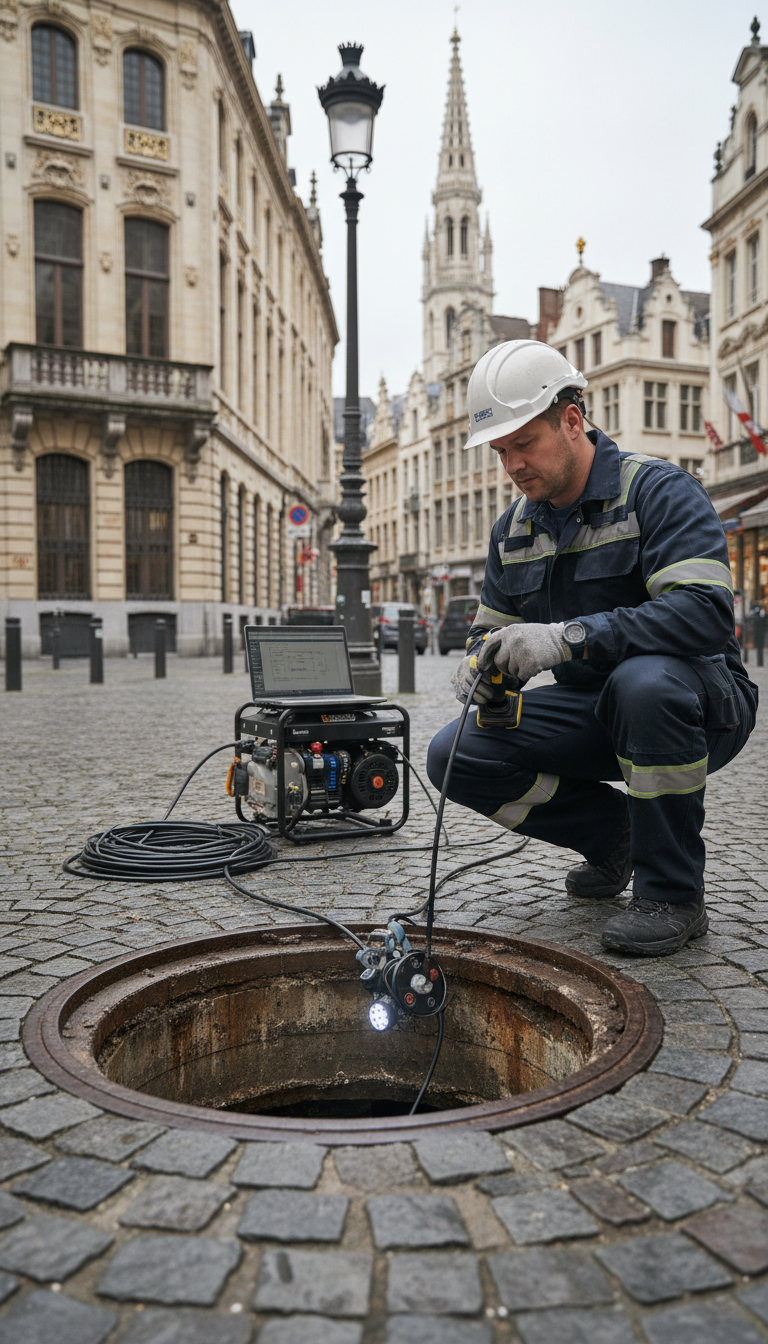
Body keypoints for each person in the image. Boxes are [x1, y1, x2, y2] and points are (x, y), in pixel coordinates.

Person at [426, 341, 758, 956]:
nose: (513, 466)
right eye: (501, 452)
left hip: (700, 705)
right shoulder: (515, 529)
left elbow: (704, 614)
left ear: (572, 420)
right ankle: (616, 836)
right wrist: (483, 667)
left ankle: (673, 894)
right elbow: (486, 634)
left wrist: (567, 638)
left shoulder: (658, 490)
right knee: (455, 752)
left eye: (524, 444)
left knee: (643, 683)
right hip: (600, 710)